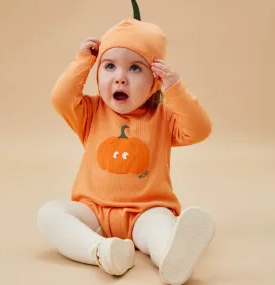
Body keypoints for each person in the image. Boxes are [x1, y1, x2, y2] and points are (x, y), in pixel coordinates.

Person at [37, 2, 214, 284]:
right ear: (98, 75)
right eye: (109, 66)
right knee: (49, 214)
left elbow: (200, 129)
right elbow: (60, 98)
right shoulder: (90, 113)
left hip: (147, 211)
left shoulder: (163, 117)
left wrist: (176, 89)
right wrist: (83, 61)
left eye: (134, 68)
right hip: (93, 211)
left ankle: (171, 254)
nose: (120, 77)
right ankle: (102, 251)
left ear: (155, 81)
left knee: (160, 227)